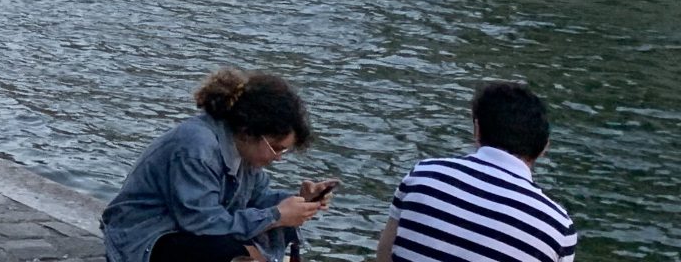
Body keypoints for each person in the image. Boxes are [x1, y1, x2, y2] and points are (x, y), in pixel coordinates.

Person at [100, 68, 330, 262]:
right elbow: (202, 222)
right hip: (144, 234)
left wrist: (300, 201)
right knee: (233, 254)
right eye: (276, 148)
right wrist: (277, 215)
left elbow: (258, 197)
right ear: (248, 131)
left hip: (185, 228)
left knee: (253, 247)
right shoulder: (196, 148)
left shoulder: (245, 154)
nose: (278, 157)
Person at [377, 81, 575, 262]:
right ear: (544, 148)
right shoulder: (558, 228)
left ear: (477, 129)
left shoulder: (423, 176)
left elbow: (384, 254)